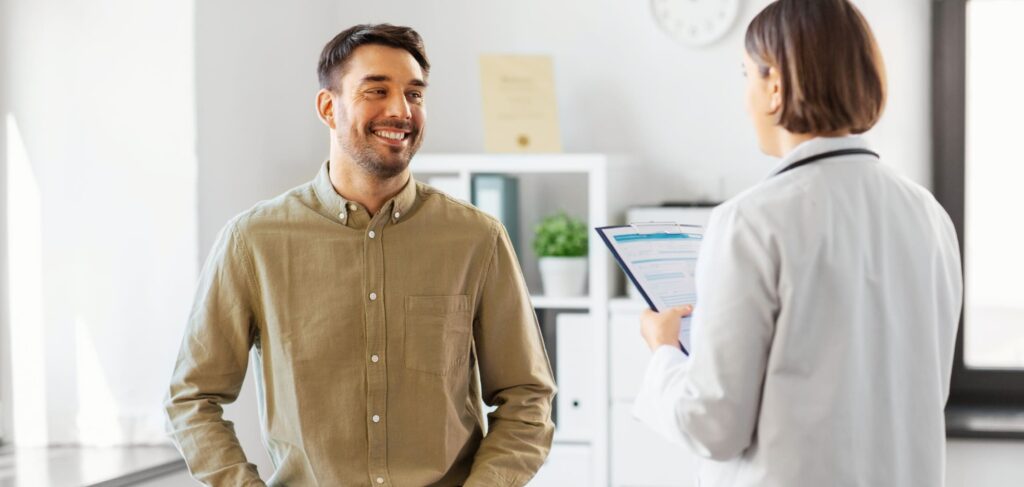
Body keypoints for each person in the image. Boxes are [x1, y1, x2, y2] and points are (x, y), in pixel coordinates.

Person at [165, 24, 556, 487]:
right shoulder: (253, 241)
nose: (400, 110)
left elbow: (527, 397)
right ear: (329, 107)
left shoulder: (477, 239)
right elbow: (192, 399)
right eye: (377, 90)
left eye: (414, 94)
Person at [632, 1, 963, 485]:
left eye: (746, 74)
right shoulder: (929, 216)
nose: (744, 97)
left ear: (775, 87)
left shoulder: (751, 221)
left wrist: (662, 350)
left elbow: (713, 425)